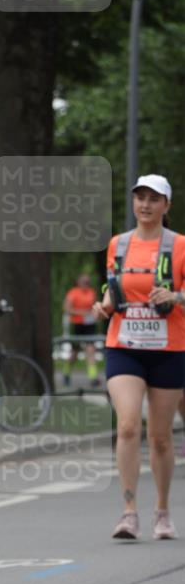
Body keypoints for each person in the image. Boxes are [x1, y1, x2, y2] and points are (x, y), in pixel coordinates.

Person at [92, 174, 184, 541]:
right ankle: (129, 512)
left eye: (154, 199)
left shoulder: (178, 246)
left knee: (160, 437)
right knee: (128, 425)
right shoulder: (118, 245)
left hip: (168, 349)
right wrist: (105, 304)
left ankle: (162, 510)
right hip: (124, 345)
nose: (145, 205)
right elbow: (112, 287)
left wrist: (175, 298)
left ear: (166, 206)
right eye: (140, 197)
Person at [62, 273, 101, 387]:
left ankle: (93, 378)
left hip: (89, 326)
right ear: (78, 282)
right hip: (78, 325)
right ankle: (66, 373)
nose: (86, 284)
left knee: (90, 350)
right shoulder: (73, 293)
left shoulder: (91, 292)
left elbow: (94, 307)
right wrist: (82, 313)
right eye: (84, 282)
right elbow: (66, 309)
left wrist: (94, 314)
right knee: (75, 352)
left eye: (88, 282)